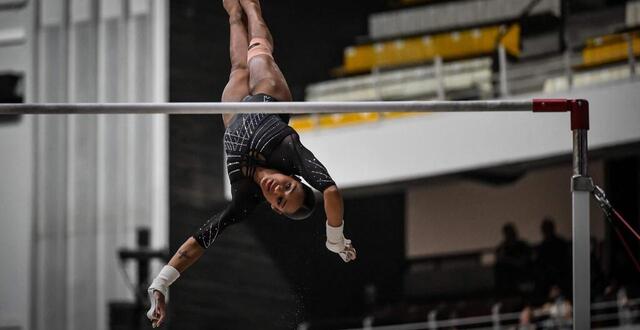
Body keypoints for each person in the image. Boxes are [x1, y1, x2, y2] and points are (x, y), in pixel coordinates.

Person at [145, 0, 356, 327]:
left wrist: (161, 284)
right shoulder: (290, 152)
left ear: (273, 207)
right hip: (268, 96)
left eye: (280, 200)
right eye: (288, 187)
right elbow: (329, 190)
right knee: (259, 54)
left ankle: (233, 13)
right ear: (294, 178)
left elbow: (201, 239)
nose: (279, 190)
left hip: (234, 118)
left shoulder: (245, 199)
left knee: (238, 67)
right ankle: (253, 7)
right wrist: (335, 239)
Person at [494, 223, 533, 296]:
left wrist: (509, 260)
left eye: (511, 233)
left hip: (523, 275)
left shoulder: (523, 245)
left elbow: (523, 261)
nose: (510, 235)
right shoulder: (502, 247)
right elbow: (499, 259)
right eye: (507, 233)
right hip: (509, 279)